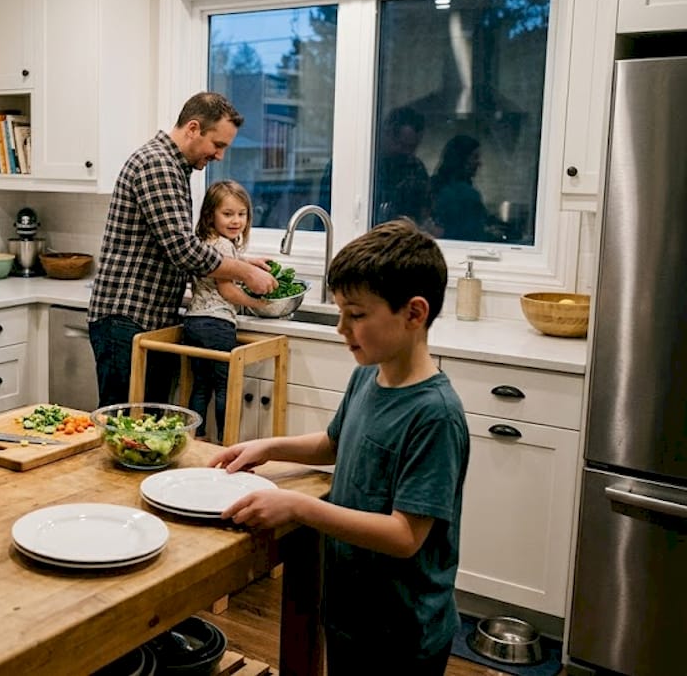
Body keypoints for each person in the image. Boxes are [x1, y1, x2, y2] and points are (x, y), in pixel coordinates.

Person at [211, 219, 470, 674]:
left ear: (414, 314)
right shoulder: (368, 374)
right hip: (353, 607)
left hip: (402, 630)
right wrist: (267, 446)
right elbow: (335, 442)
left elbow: (405, 536)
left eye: (356, 315)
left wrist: (297, 507)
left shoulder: (436, 415)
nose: (340, 328)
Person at [88, 92, 278, 409]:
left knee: (146, 434)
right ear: (193, 128)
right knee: (125, 432)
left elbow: (176, 245)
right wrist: (245, 272)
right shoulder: (158, 165)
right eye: (217, 145)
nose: (219, 156)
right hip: (126, 318)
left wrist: (240, 260)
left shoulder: (174, 167)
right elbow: (184, 251)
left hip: (144, 320)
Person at [183, 180, 275, 441]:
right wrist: (258, 303)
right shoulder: (224, 245)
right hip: (217, 325)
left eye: (242, 214)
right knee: (225, 386)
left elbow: (227, 262)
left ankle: (196, 438)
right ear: (211, 215)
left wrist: (249, 262)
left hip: (194, 323)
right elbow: (228, 291)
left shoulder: (205, 241)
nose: (236, 220)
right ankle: (225, 441)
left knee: (201, 385)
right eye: (228, 214)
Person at [372, 106, 431, 228]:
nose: (407, 153)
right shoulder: (364, 167)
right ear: (387, 134)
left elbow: (424, 210)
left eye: (413, 147)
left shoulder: (415, 169)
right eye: (402, 145)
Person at [430, 134, 493, 241]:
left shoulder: (433, 185)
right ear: (462, 159)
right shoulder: (467, 195)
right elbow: (474, 236)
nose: (479, 163)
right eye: (475, 157)